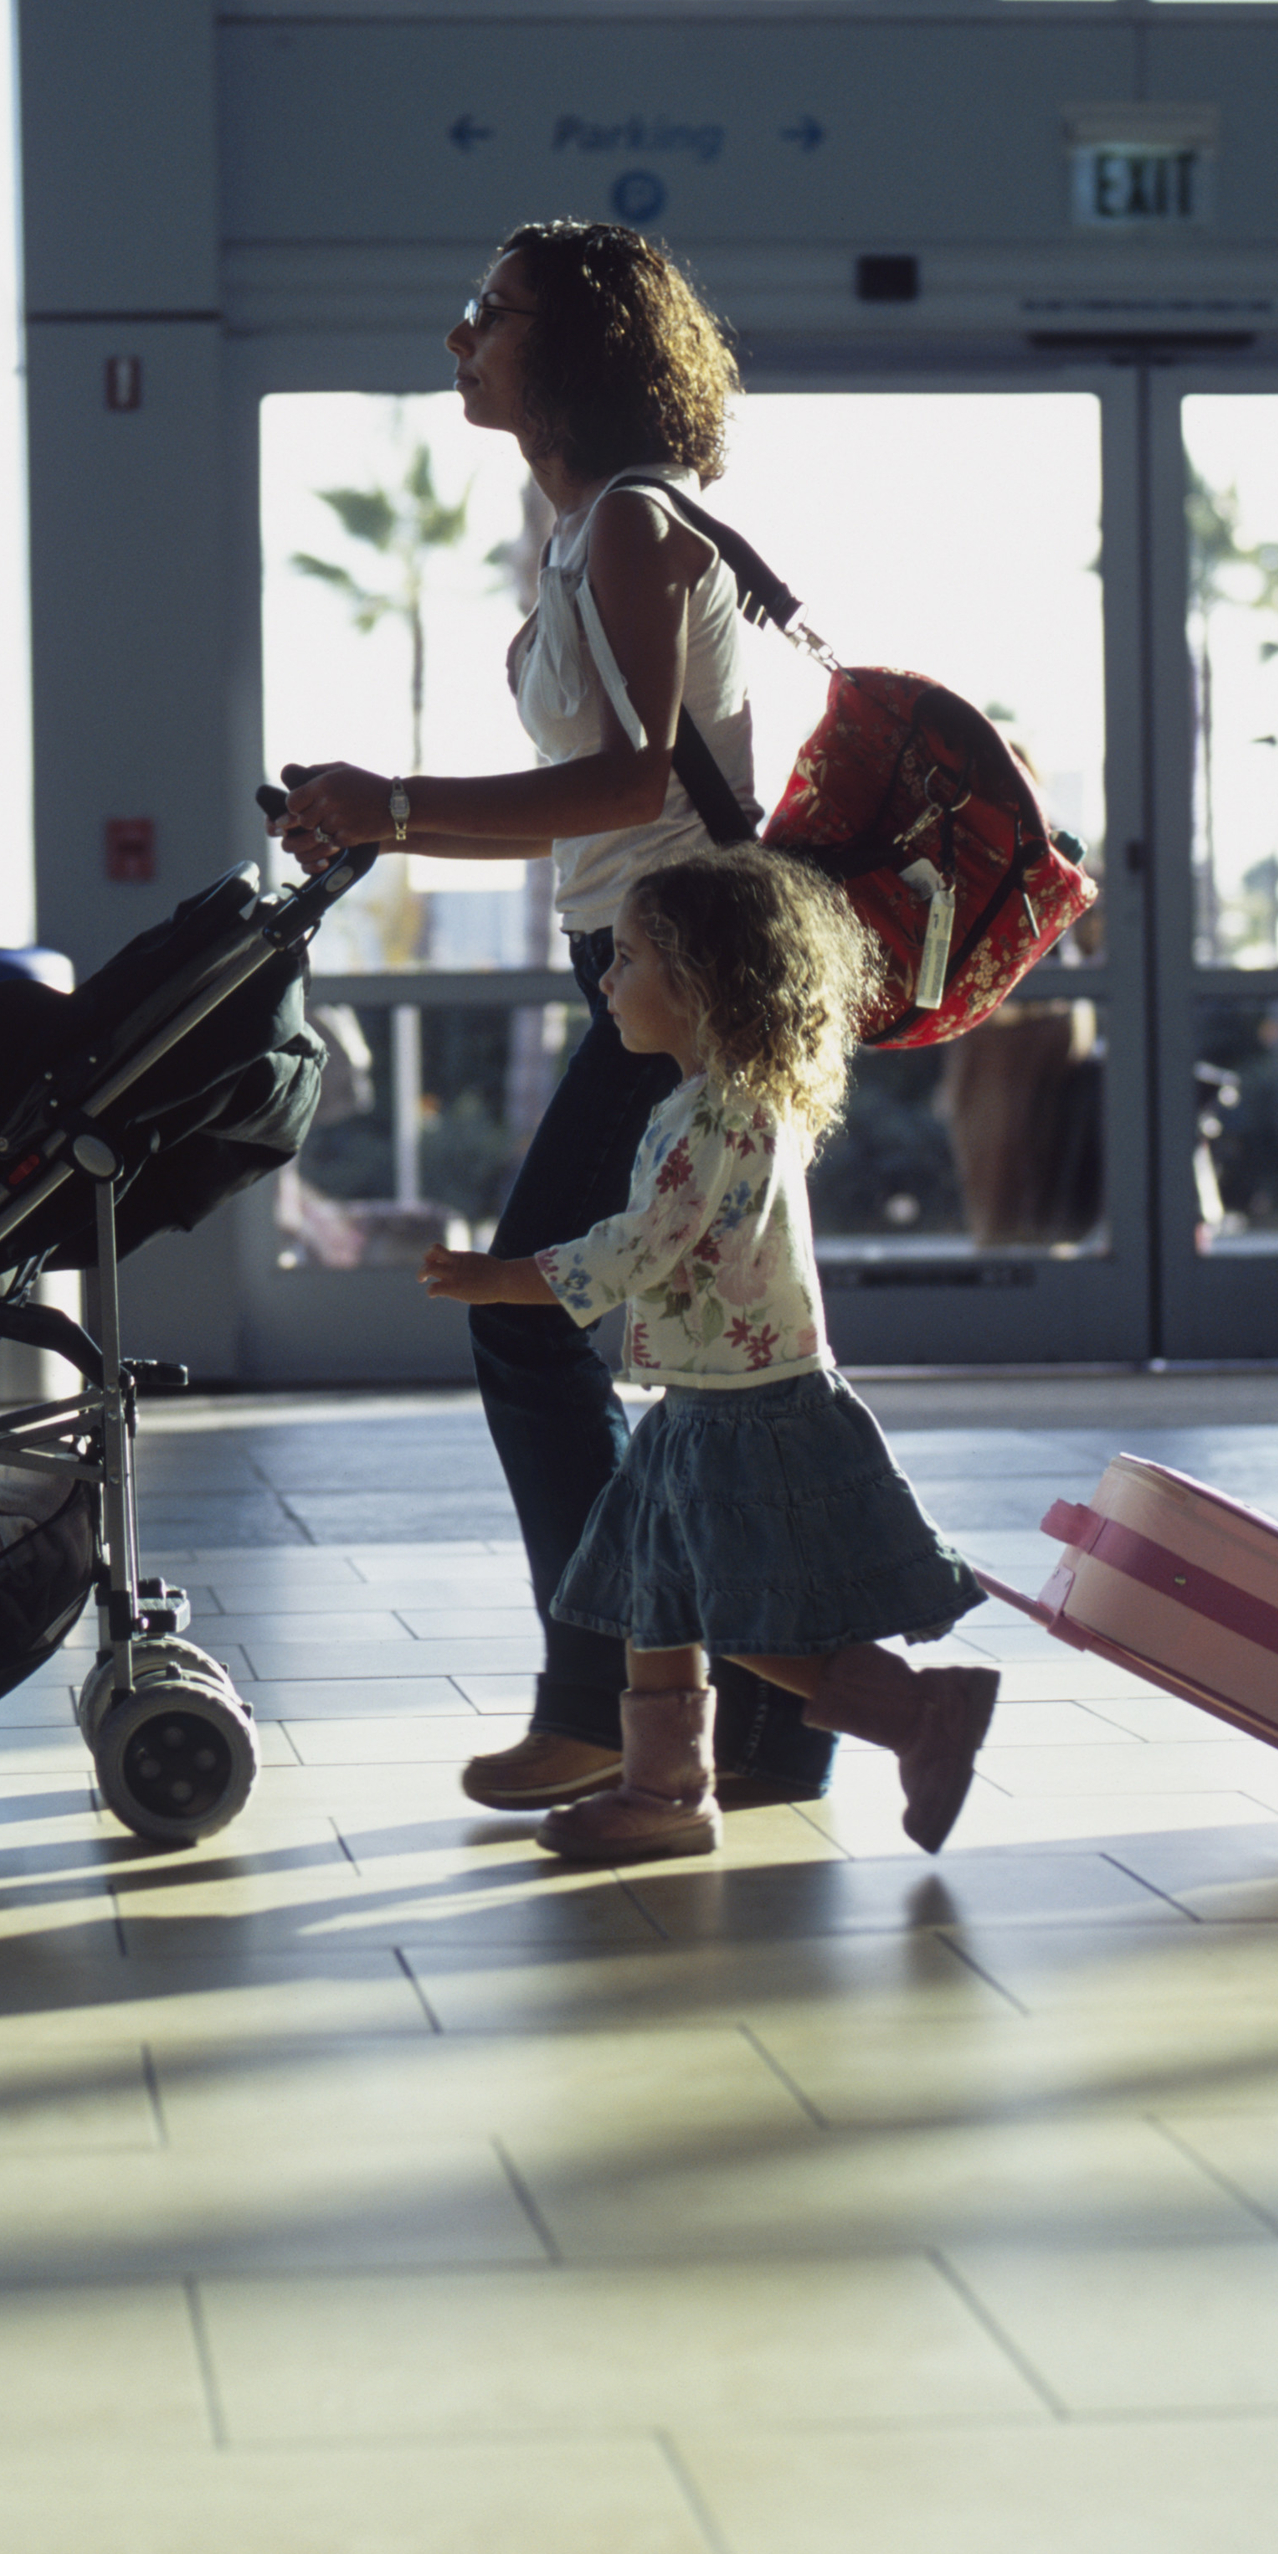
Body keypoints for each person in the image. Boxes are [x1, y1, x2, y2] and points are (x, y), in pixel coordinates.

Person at [271, 217, 837, 1815]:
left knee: (534, 1318)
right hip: (646, 969)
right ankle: (770, 1720)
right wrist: (378, 820)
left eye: (490, 315)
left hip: (700, 979)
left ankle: (602, 1692)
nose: (460, 337)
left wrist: (389, 802)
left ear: (579, 350)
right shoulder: (587, 536)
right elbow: (586, 810)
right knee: (723, 1359)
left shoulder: (640, 529)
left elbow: (630, 782)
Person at [416, 845, 1000, 1866]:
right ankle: (664, 1790)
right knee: (659, 1594)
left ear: (700, 984)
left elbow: (641, 1245)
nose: (606, 978)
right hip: (703, 1399)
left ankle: (917, 1716)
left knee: (741, 1615)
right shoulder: (705, 1102)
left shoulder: (717, 1117)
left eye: (630, 959)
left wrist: (505, 1278)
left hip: (743, 1409)